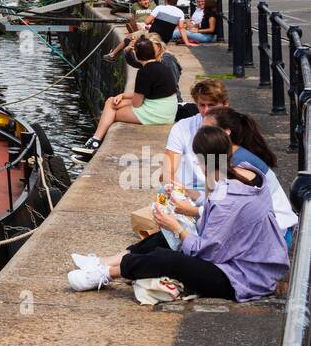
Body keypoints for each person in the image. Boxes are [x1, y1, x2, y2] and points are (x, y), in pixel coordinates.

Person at [67, 126, 290, 299]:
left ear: (201, 160)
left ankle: (107, 273)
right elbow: (217, 205)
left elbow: (206, 254)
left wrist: (176, 226)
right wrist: (184, 201)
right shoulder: (245, 172)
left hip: (242, 277)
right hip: (251, 261)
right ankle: (105, 264)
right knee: (166, 237)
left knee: (170, 257)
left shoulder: (226, 198)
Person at [72, 36, 178, 157]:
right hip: (167, 111)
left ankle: (95, 143)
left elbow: (137, 104)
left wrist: (123, 101)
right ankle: (95, 145)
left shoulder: (144, 72)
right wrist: (123, 95)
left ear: (136, 55)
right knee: (112, 103)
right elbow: (148, 93)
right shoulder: (162, 66)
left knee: (112, 114)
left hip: (157, 114)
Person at [205, 107, 298, 241]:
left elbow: (227, 211)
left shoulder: (238, 162)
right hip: (270, 227)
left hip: (275, 234)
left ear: (226, 133)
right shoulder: (226, 155)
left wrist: (192, 211)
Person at [162, 77, 229, 189]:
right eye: (202, 105)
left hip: (222, 194)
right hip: (187, 190)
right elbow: (168, 171)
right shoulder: (182, 127)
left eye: (211, 105)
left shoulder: (236, 128)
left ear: (225, 104)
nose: (206, 111)